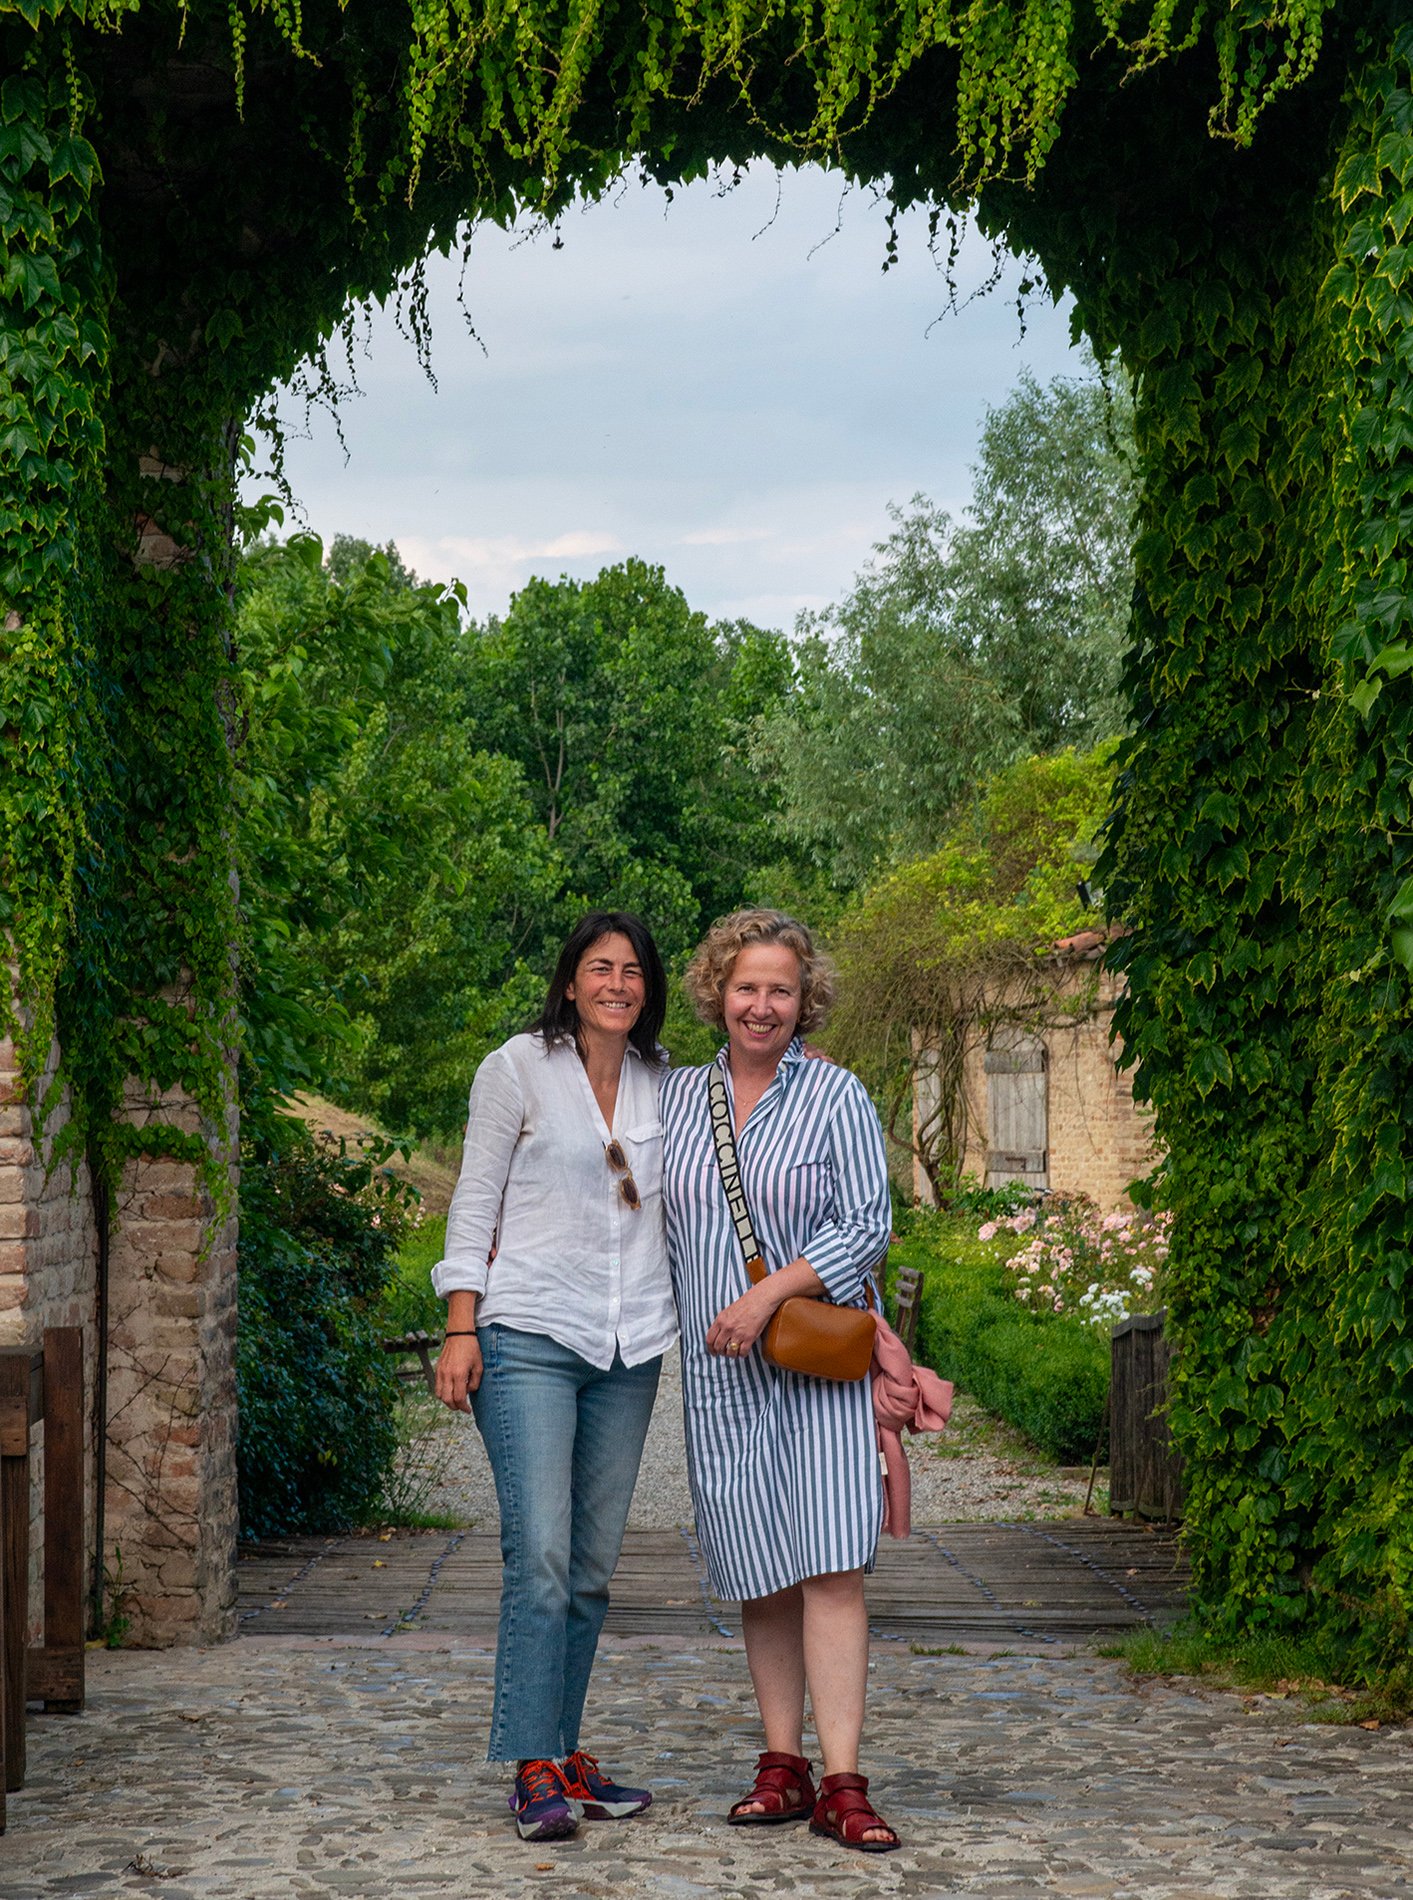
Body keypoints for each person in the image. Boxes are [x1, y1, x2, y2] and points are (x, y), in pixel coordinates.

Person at [660, 907, 901, 1854]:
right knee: (760, 1572)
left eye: (780, 990)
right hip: (719, 1381)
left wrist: (767, 1299)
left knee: (832, 1566)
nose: (761, 1005)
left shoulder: (836, 1096)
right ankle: (780, 1766)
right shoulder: (677, 1099)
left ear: (806, 1003)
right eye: (746, 986)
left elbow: (865, 1226)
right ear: (717, 992)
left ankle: (843, 1778)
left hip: (814, 1365)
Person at [432, 911, 675, 1842]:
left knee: (590, 1570)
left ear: (646, 990)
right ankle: (532, 1763)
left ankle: (564, 1748)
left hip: (628, 1350)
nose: (615, 983)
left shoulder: (666, 1086)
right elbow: (473, 1200)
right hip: (529, 1332)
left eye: (631, 971)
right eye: (597, 968)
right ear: (570, 982)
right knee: (536, 1557)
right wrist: (462, 1326)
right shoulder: (516, 1068)